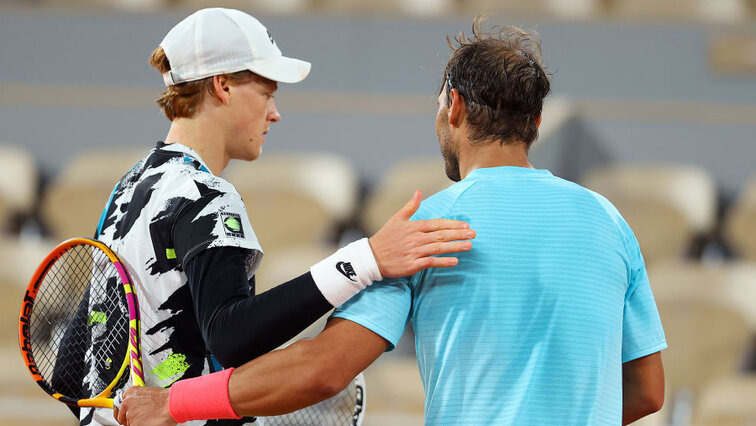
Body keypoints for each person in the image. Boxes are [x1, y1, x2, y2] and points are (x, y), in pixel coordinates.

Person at [115, 15, 667, 426]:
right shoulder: (609, 221)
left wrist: (175, 402)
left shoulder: (427, 229)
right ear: (536, 121)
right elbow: (647, 391)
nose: (275, 109)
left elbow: (325, 370)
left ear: (453, 107)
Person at [73, 7, 476, 426]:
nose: (275, 112)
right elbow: (230, 337)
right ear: (223, 86)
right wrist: (365, 259)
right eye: (267, 93)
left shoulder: (128, 188)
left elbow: (73, 359)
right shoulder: (208, 195)